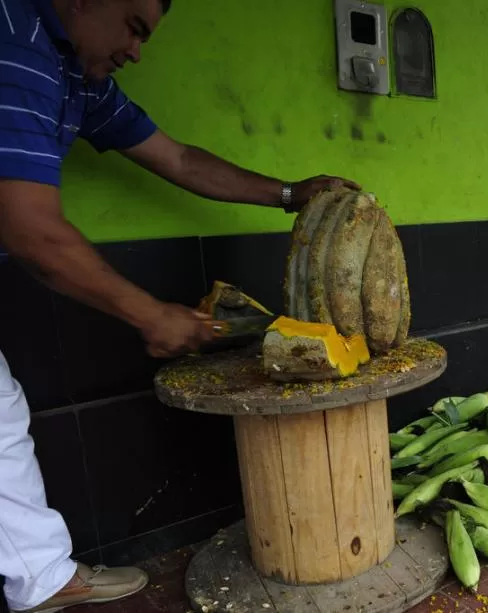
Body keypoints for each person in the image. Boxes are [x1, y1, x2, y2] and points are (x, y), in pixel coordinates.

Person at [0, 0, 359, 611]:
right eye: (134, 27)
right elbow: (31, 232)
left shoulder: (77, 76)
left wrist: (289, 192)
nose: (137, 50)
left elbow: (179, 159)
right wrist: (150, 313)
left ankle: (43, 578)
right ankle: (42, 577)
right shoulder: (16, 42)